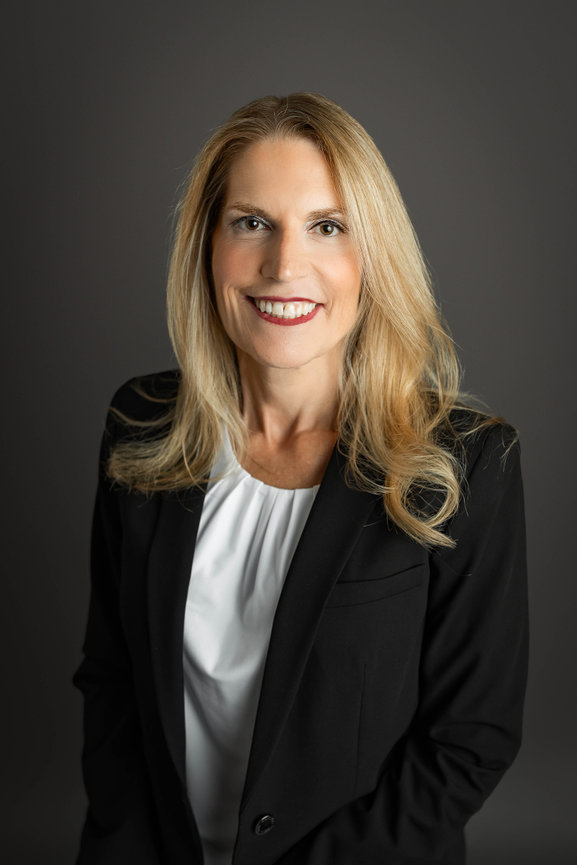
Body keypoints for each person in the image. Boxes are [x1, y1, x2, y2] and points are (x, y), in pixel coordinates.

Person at [73, 92, 528, 865]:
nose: (284, 266)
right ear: (208, 246)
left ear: (370, 254)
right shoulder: (139, 425)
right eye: (251, 222)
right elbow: (114, 688)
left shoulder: (467, 464)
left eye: (326, 226)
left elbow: (466, 744)